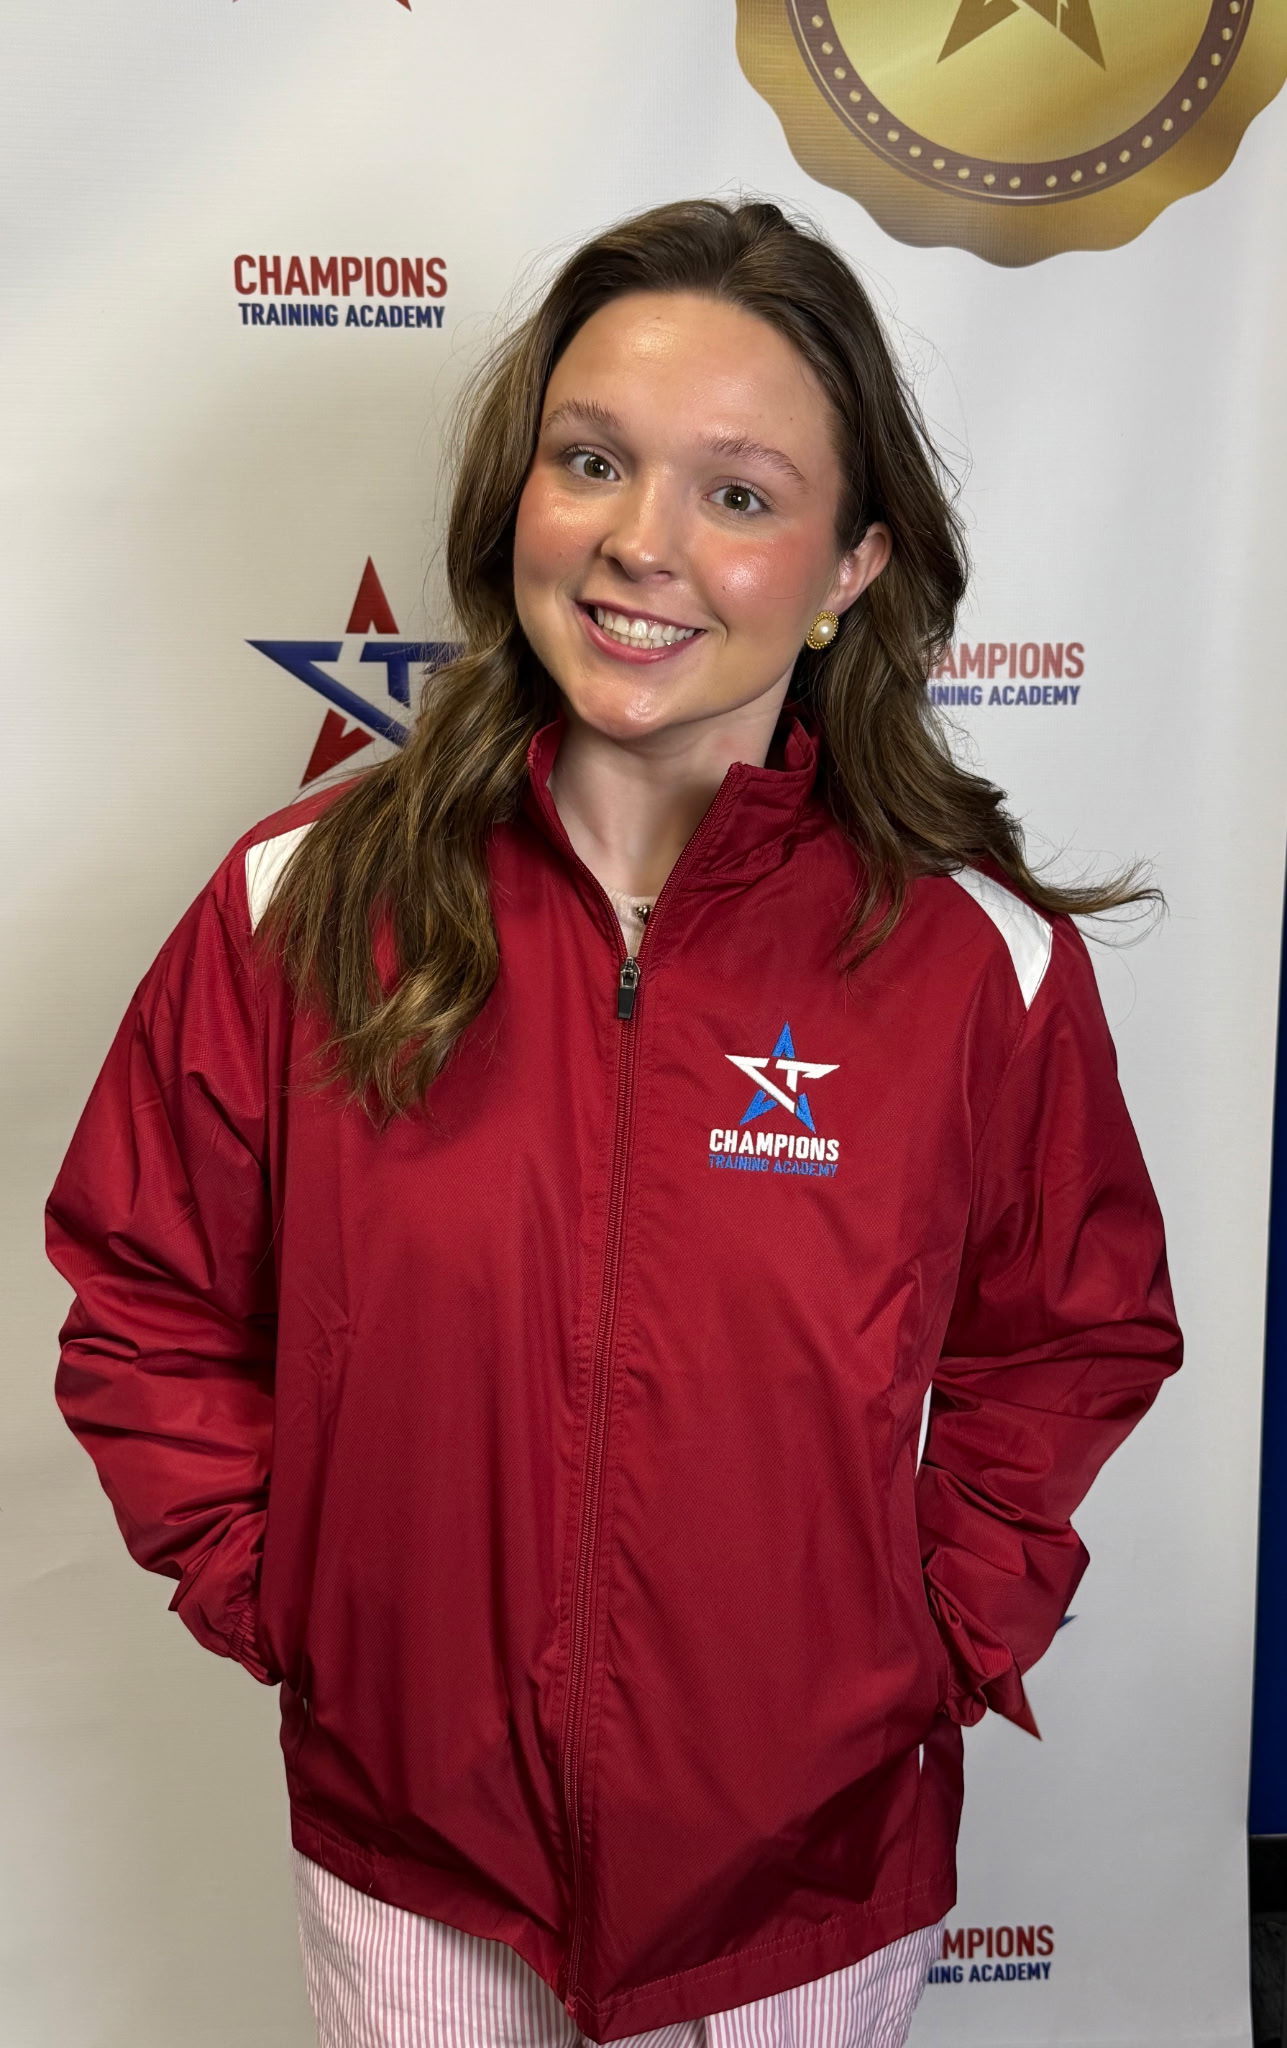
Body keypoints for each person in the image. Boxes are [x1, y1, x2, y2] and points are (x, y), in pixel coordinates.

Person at [46, 198, 1182, 2048]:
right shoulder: (303, 901)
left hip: (802, 1895)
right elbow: (146, 1292)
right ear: (523, 496)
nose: (640, 543)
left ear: (849, 568)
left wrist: (931, 1639)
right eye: (592, 461)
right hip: (409, 1857)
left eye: (739, 494)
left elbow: (1068, 1337)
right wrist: (295, 1601)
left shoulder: (978, 966)